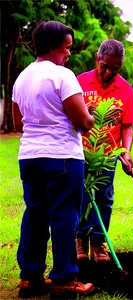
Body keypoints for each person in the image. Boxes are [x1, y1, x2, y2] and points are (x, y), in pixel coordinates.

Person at [12, 20, 95, 299]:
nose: (69, 53)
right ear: (52, 47)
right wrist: (90, 114)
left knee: (34, 215)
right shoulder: (63, 75)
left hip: (29, 157)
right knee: (64, 217)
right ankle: (64, 280)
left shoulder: (21, 77)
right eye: (67, 47)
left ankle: (30, 278)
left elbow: (18, 121)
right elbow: (82, 121)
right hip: (62, 157)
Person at [76, 39, 133, 263]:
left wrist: (126, 151)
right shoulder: (79, 82)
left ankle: (98, 243)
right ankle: (80, 239)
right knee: (81, 197)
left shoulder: (126, 90)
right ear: (97, 59)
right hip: (79, 152)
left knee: (104, 198)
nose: (109, 72)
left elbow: (127, 126)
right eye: (105, 66)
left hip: (107, 155)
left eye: (115, 68)